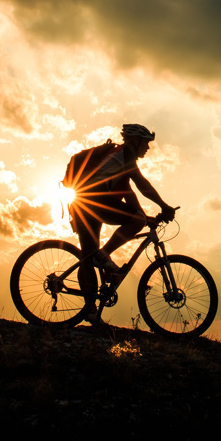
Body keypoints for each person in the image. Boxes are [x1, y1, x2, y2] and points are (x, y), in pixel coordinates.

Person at [68, 123, 176, 322]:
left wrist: (144, 217)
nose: (148, 147)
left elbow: (128, 192)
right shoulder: (123, 156)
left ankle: (90, 311)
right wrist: (164, 206)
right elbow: (143, 185)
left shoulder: (119, 160)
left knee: (88, 258)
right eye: (146, 143)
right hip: (91, 203)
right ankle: (103, 256)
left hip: (85, 204)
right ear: (134, 141)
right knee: (92, 257)